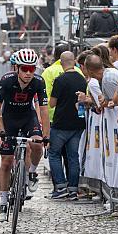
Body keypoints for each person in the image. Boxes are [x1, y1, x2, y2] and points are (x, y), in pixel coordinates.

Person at [0, 49, 49, 221]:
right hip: (8, 119)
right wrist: (1, 130)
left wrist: (46, 135)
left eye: (32, 69)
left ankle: (31, 173)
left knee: (38, 144)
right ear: (16, 68)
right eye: (24, 69)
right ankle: (3, 202)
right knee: (7, 161)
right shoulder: (6, 81)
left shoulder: (39, 82)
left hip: (27, 118)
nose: (28, 73)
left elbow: (44, 110)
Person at [48, 52, 86, 200]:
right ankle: (73, 189)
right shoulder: (82, 79)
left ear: (61, 62)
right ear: (74, 61)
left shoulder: (60, 80)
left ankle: (60, 187)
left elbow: (52, 103)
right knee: (73, 156)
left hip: (61, 124)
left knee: (54, 154)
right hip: (77, 123)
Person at [41, 42, 82, 122]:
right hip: (76, 117)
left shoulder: (48, 72)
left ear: (55, 55)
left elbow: (44, 95)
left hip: (54, 118)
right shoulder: (78, 71)